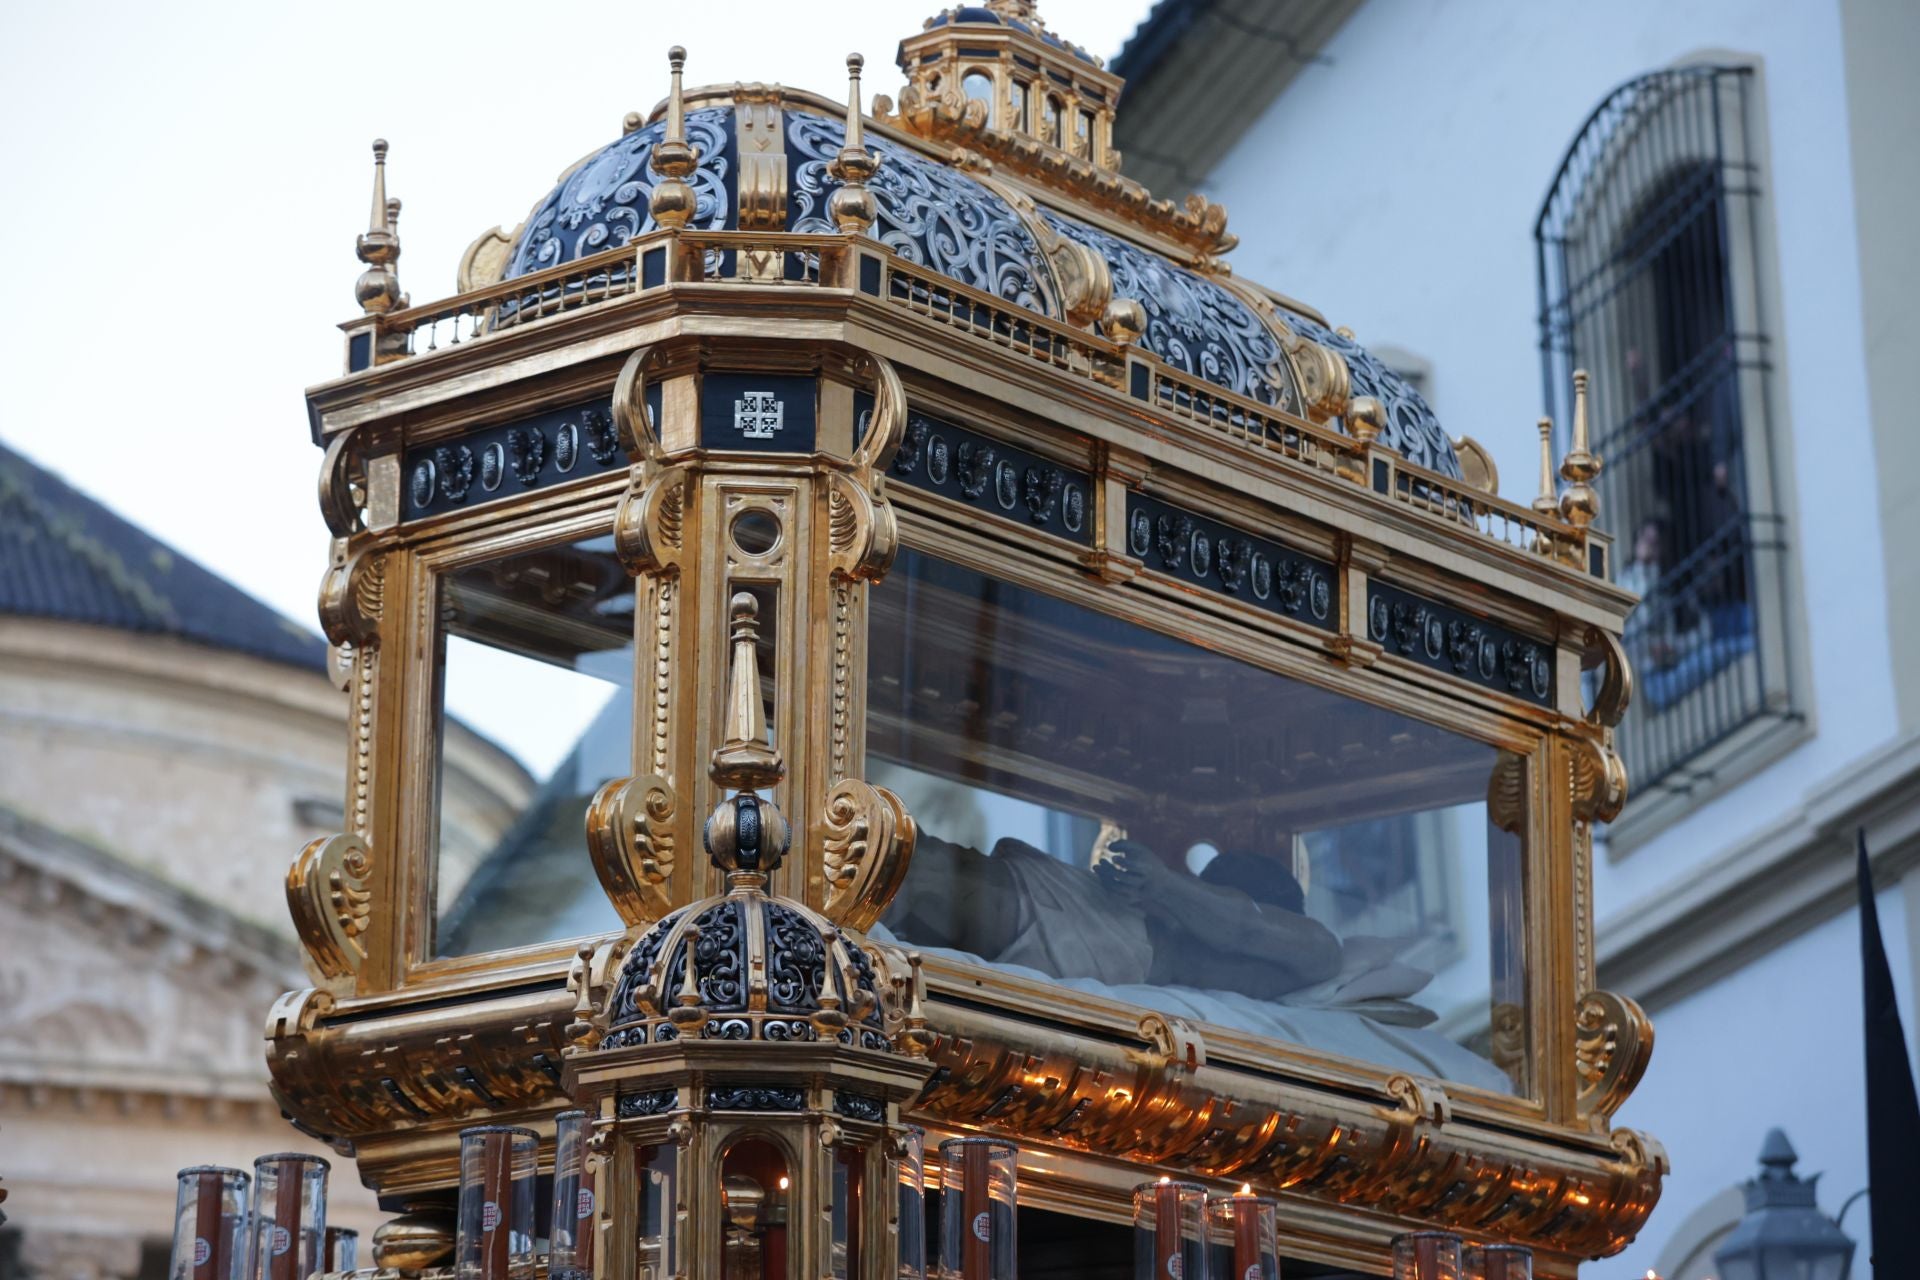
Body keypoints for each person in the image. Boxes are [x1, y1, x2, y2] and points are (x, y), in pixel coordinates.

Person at [880, 830, 1342, 1001]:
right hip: (1102, 918)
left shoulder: (1315, 952)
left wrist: (1163, 884)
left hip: (1112, 945)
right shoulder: (1178, 914)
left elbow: (1244, 926)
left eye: (1218, 885)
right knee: (930, 856)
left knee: (929, 876)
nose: (1203, 890)